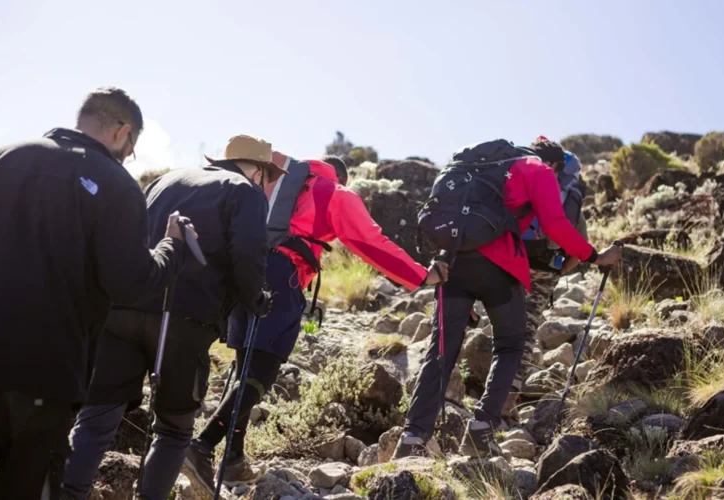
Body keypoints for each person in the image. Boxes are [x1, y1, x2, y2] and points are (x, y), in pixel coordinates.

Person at [182, 152, 448, 495]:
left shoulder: (274, 179)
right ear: (340, 176)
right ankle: (203, 445)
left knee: (243, 366)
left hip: (240, 272)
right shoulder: (334, 192)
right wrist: (421, 276)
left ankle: (232, 457)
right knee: (260, 374)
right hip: (281, 277)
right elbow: (368, 241)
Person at [0, 87, 192, 499]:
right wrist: (173, 247)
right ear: (122, 132)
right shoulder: (115, 184)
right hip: (43, 377)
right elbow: (131, 283)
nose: (130, 156)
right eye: (133, 146)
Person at [61, 135, 283, 500]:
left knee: (97, 418)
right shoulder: (244, 191)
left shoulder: (166, 179)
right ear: (258, 170)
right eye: (268, 176)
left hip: (122, 311)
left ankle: (66, 494)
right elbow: (247, 253)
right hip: (187, 320)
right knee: (174, 430)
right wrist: (255, 299)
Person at [394, 140, 622, 459]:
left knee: (441, 349)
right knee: (511, 344)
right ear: (554, 166)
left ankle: (413, 437)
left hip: (452, 263)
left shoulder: (481, 167)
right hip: (499, 267)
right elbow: (557, 226)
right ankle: (480, 430)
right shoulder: (538, 170)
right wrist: (595, 256)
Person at [516, 137, 590, 395]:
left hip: (515, 262)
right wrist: (558, 271)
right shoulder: (572, 201)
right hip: (547, 269)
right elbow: (578, 249)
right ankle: (509, 398)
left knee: (505, 326)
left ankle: (491, 389)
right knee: (526, 331)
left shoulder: (524, 187)